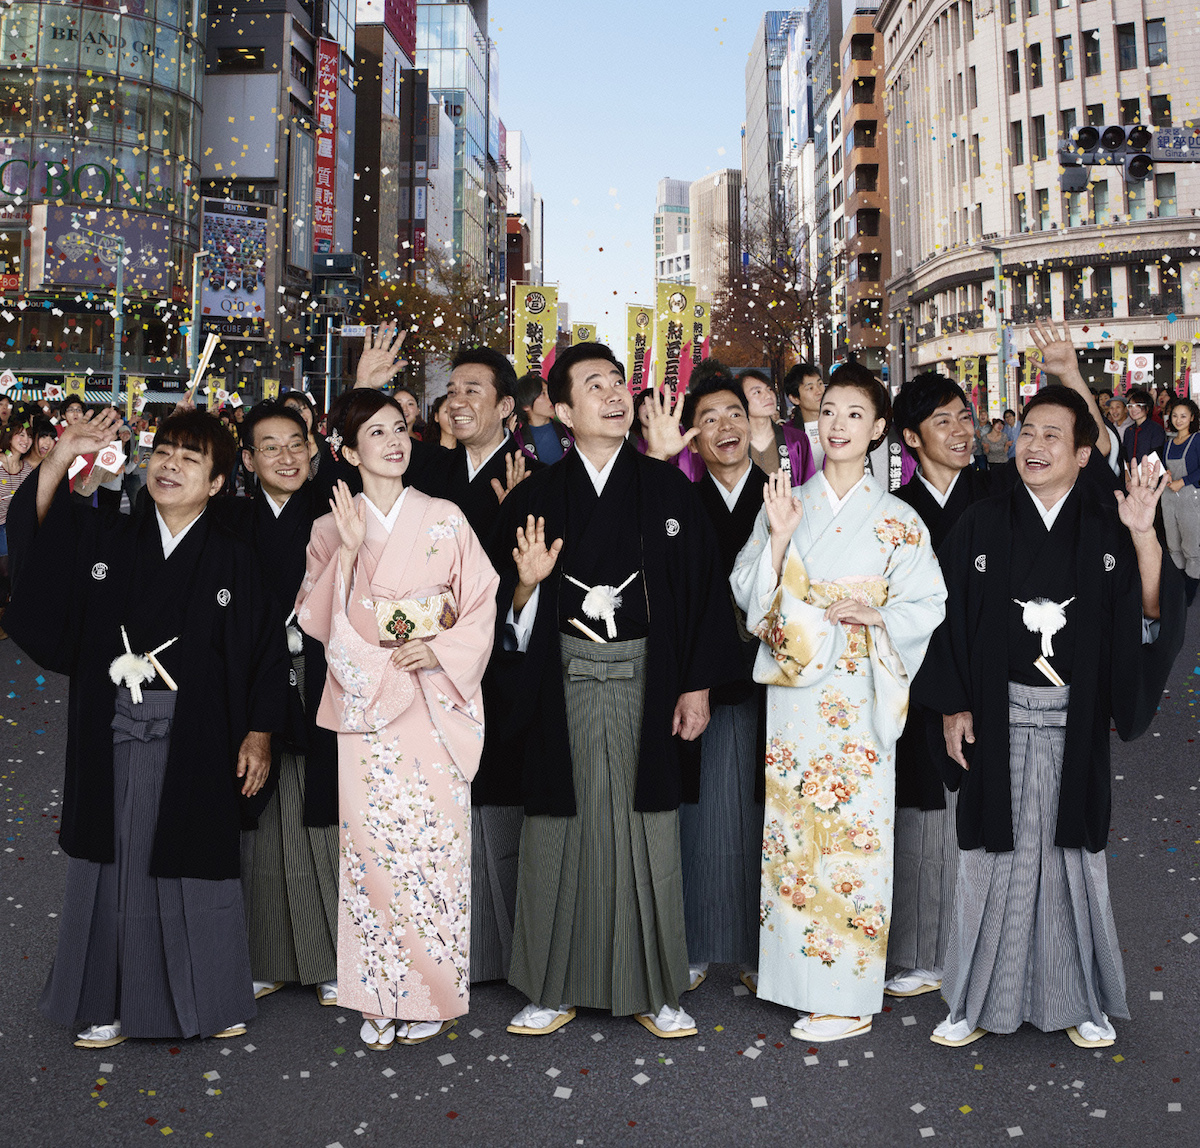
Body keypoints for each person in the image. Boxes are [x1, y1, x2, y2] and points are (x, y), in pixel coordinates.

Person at [915, 373, 1184, 1051]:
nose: (1033, 444)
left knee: (1073, 860)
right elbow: (937, 619)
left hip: (1074, 716)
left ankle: (1080, 998)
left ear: (1084, 453)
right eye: (1027, 431)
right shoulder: (980, 522)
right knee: (988, 860)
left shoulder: (1108, 528)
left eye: (1052, 435)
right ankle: (969, 1000)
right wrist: (950, 706)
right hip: (997, 714)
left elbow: (1153, 614)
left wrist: (1145, 535)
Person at [6, 407, 288, 1048]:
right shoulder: (109, 539)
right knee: (111, 864)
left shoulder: (233, 559)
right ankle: (101, 1002)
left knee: (196, 862)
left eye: (191, 459)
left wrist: (260, 733)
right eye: (163, 452)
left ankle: (211, 1002)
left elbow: (265, 650)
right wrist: (58, 461)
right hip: (113, 729)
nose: (171, 466)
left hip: (199, 735)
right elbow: (42, 546)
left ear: (217, 482)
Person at [487, 341, 741, 1040]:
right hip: (560, 679)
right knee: (555, 834)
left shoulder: (668, 492)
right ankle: (548, 984)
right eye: (591, 385)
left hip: (646, 680)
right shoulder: (535, 496)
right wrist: (527, 586)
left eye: (615, 382)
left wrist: (696, 687)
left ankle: (658, 988)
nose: (611, 393)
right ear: (563, 411)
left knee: (649, 834)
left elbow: (698, 597)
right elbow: (494, 614)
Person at [730, 362, 947, 1043]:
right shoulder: (790, 500)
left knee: (853, 838)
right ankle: (796, 979)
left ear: (880, 429)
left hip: (857, 690)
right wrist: (783, 539)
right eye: (830, 412)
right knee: (793, 835)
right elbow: (747, 587)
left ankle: (848, 995)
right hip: (799, 695)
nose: (839, 424)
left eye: (856, 414)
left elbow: (926, 603)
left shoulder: (898, 520)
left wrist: (878, 618)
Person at [296, 389, 498, 1050]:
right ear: (348, 452)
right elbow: (317, 623)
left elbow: (480, 602)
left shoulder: (444, 517)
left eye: (399, 429)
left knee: (434, 854)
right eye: (374, 433)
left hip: (433, 701)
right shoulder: (332, 524)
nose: (393, 441)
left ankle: (432, 993)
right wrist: (350, 553)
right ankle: (379, 993)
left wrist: (437, 649)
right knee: (373, 856)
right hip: (369, 708)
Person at [883, 372, 1010, 1000]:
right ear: (911, 437)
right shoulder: (896, 512)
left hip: (988, 680)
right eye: (944, 422)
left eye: (966, 417)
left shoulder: (999, 496)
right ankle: (917, 952)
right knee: (918, 813)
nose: (963, 432)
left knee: (980, 813)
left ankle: (979, 947)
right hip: (914, 684)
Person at [225, 401, 342, 1009]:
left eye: (296, 443)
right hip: (256, 683)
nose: (286, 456)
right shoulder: (233, 523)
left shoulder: (334, 511)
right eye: (269, 447)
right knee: (264, 824)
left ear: (314, 450)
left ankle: (331, 959)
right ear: (247, 460)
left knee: (326, 819)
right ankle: (269, 957)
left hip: (326, 679)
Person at [672, 367, 769, 989]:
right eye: (708, 419)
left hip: (775, 680)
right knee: (703, 818)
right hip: (704, 679)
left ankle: (770, 952)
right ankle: (700, 940)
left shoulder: (786, 497)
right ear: (692, 439)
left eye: (733, 412)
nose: (724, 426)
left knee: (772, 817)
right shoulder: (682, 506)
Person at [740, 369, 816, 485]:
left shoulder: (796, 439)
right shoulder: (735, 443)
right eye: (757, 392)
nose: (768, 396)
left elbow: (809, 484)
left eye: (770, 389)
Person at [1162, 395, 1200, 605]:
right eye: (1175, 415)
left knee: (1191, 545)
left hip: (1189, 498)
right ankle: (1178, 585)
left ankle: (1190, 590)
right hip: (1168, 498)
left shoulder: (1197, 439)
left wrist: (1182, 481)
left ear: (1192, 417)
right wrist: (1166, 475)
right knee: (1173, 545)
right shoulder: (1168, 443)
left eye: (1183, 416)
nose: (1178, 420)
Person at [0, 422, 35, 636]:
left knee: (11, 570)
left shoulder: (27, 468)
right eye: (20, 435)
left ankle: (10, 614)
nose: (26, 440)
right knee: (5, 570)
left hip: (15, 528)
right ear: (9, 437)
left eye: (29, 436)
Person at [513, 372, 572, 465]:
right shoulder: (517, 442)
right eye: (542, 393)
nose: (550, 397)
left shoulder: (569, 429)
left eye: (549, 392)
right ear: (525, 405)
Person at [783, 362, 826, 467]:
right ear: (795, 398)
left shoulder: (839, 425)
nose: (819, 391)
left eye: (820, 384)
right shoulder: (787, 434)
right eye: (810, 388)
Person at [1123, 388, 1166, 465]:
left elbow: (1156, 456)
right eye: (1130, 406)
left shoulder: (1156, 429)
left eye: (1138, 405)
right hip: (1131, 474)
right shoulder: (1129, 430)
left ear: (1147, 408)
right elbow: (1125, 455)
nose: (1133, 409)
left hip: (1150, 472)